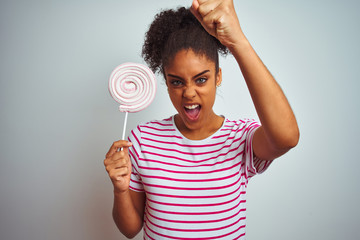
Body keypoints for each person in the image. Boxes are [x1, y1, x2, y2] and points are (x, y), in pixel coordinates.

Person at [104, 0, 299, 239]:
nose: (188, 92)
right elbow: (130, 229)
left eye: (201, 79)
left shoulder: (239, 138)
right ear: (166, 82)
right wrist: (120, 189)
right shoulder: (143, 140)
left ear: (218, 77)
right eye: (176, 81)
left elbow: (287, 138)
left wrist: (237, 40)